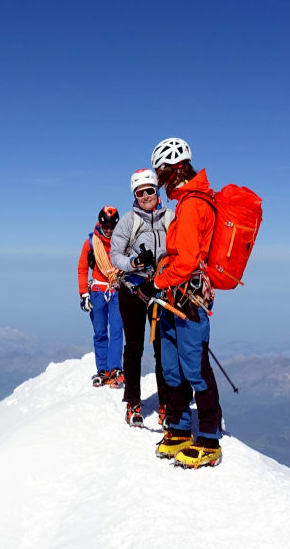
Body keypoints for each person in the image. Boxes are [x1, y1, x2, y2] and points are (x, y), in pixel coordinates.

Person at [138, 137, 223, 468]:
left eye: (160, 174)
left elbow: (186, 260)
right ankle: (178, 428)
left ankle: (209, 438)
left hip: (187, 301)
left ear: (170, 171)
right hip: (176, 300)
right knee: (171, 365)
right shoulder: (190, 202)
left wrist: (158, 281)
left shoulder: (191, 206)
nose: (159, 182)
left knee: (194, 368)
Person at [108, 168, 174, 427]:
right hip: (133, 289)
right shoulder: (128, 220)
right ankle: (133, 402)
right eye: (140, 192)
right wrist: (134, 262)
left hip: (161, 288)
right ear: (135, 195)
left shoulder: (170, 217)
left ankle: (166, 403)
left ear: (157, 192)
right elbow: (115, 255)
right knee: (134, 347)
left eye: (150, 191)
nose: (146, 196)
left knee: (162, 349)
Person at [77, 206, 124, 388]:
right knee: (100, 331)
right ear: (101, 224)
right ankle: (102, 369)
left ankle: (115, 369)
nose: (109, 230)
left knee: (117, 329)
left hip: (117, 290)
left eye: (113, 226)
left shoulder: (123, 243)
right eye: (107, 226)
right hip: (98, 291)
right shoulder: (91, 243)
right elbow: (82, 269)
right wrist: (84, 294)